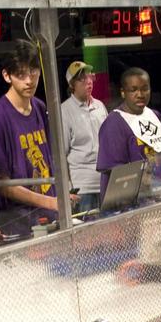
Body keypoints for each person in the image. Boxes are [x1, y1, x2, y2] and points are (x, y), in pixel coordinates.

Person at [0, 40, 60, 234]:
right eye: (21, 74)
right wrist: (51, 202)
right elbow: (3, 185)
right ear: (6, 76)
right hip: (19, 224)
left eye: (34, 72)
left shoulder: (40, 107)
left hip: (50, 215)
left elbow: (50, 161)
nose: (29, 80)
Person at [95, 67, 161, 200]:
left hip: (159, 197)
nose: (140, 94)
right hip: (127, 206)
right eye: (133, 89)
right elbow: (116, 172)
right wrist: (146, 179)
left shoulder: (155, 115)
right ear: (123, 92)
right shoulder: (114, 123)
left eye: (145, 89)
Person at [60, 61, 107, 212]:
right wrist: (67, 188)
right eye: (82, 79)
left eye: (90, 77)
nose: (88, 82)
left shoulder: (99, 106)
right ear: (72, 84)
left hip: (104, 181)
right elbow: (62, 154)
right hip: (82, 187)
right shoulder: (64, 110)